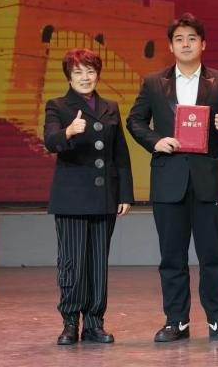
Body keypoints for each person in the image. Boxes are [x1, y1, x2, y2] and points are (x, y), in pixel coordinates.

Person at [126, 13, 218, 342]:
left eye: (192, 38)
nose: (185, 44)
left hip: (208, 180)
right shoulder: (154, 82)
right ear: (170, 46)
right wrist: (156, 141)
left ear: (203, 44)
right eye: (179, 39)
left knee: (213, 256)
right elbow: (135, 121)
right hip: (169, 180)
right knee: (172, 257)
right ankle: (176, 320)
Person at [42, 48, 133, 345]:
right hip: (71, 199)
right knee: (73, 262)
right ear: (69, 77)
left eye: (90, 71)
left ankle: (94, 323)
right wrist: (68, 131)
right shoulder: (57, 106)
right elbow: (50, 141)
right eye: (78, 72)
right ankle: (70, 323)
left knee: (97, 264)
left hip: (104, 197)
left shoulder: (110, 107)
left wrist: (125, 194)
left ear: (98, 75)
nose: (85, 77)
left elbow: (120, 155)